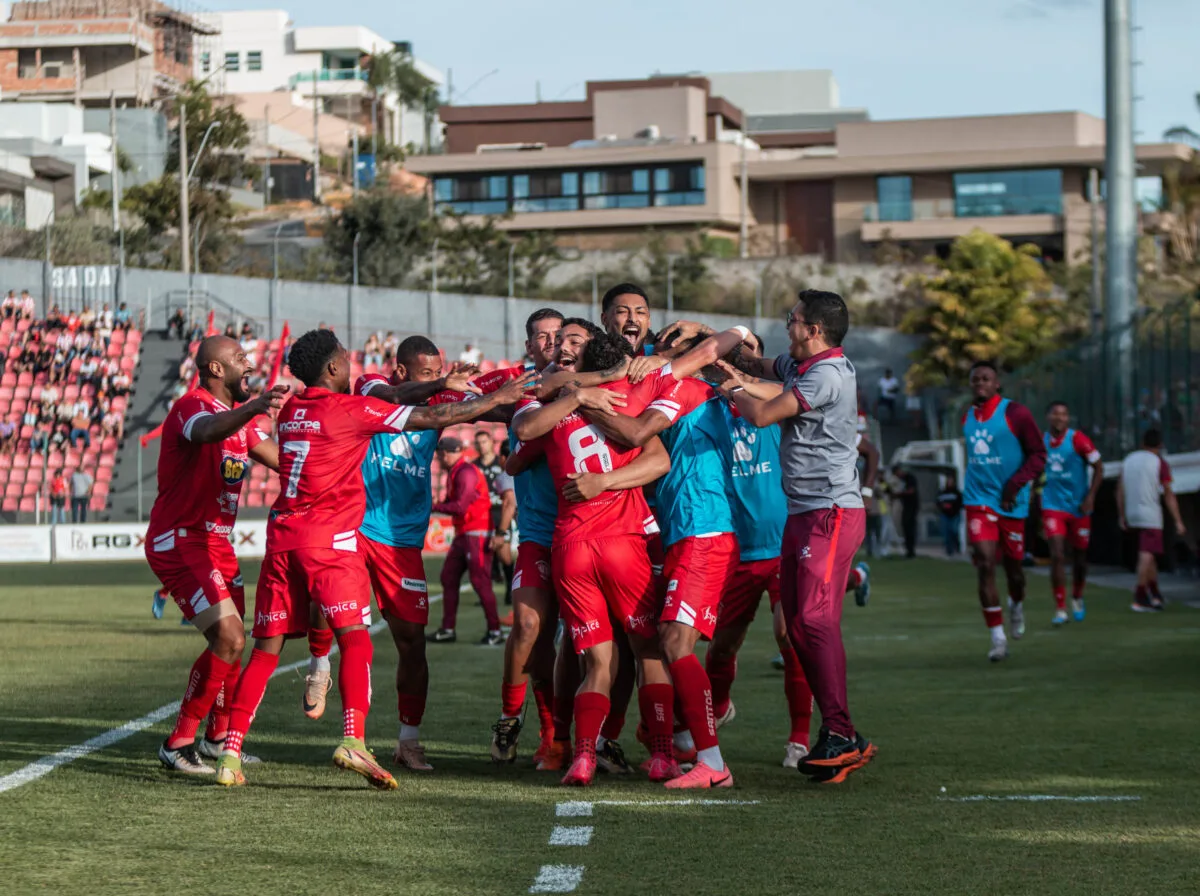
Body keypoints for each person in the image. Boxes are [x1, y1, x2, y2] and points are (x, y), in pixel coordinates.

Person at [214, 329, 531, 789]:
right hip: (342, 535)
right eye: (345, 358)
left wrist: (507, 391)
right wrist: (481, 396)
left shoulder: (297, 410)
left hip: (300, 536)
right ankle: (348, 729)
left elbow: (448, 402)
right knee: (355, 635)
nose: (352, 363)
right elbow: (427, 410)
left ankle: (231, 752)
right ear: (337, 367)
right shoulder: (359, 398)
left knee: (276, 647)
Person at [575, 322, 776, 789]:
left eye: (666, 347)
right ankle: (688, 744)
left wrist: (581, 401)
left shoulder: (685, 388)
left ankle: (712, 761)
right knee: (667, 641)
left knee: (674, 645)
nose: (653, 353)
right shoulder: (679, 384)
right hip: (682, 532)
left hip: (702, 531)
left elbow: (638, 431)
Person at [718, 289, 876, 783]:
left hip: (829, 512)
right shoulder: (805, 363)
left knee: (811, 620)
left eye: (793, 319)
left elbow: (763, 412)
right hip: (805, 513)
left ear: (814, 330)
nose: (787, 325)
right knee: (801, 622)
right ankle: (840, 739)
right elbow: (760, 367)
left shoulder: (827, 372)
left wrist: (723, 387)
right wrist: (716, 347)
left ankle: (842, 732)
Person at [507, 324, 675, 787]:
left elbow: (519, 445)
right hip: (622, 541)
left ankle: (581, 756)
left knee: (596, 660)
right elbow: (658, 459)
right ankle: (661, 754)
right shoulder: (623, 399)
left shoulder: (550, 407)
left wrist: (569, 402)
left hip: (571, 546)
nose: (561, 352)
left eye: (569, 346)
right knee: (648, 650)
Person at [334, 336, 499, 771]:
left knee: (412, 646)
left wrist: (517, 396)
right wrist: (442, 384)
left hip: (403, 542)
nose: (436, 381)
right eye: (427, 374)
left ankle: (408, 741)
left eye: (437, 373)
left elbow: (487, 407)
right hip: (356, 527)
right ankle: (320, 672)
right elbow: (390, 396)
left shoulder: (438, 397)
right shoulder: (371, 384)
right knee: (340, 622)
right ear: (403, 371)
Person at [143, 335, 286, 776]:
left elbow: (282, 461)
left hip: (217, 545)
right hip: (180, 539)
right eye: (241, 358)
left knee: (233, 644)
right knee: (229, 637)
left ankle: (218, 738)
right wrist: (255, 407)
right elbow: (206, 432)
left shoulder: (236, 420)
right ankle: (179, 742)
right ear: (217, 369)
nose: (250, 364)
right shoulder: (192, 407)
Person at [490, 309, 572, 770]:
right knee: (528, 627)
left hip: (591, 529)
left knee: (592, 644)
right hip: (540, 532)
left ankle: (596, 737)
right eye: (541, 337)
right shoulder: (519, 389)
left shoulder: (592, 385)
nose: (551, 342)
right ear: (529, 347)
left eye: (558, 335)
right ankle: (514, 719)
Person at [960, 360, 1046, 661]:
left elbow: (1038, 455)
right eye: (975, 380)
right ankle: (997, 639)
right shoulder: (967, 417)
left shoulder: (1016, 413)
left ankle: (1017, 604)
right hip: (978, 501)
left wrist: (1015, 484)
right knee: (984, 563)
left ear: (997, 384)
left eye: (986, 379)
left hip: (1012, 503)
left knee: (1015, 572)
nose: (980, 383)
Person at [427, 437, 503, 645]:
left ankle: (495, 631)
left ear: (446, 453)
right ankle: (448, 629)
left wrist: (434, 507)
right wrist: (440, 505)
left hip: (476, 531)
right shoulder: (458, 471)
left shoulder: (465, 472)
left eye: (439, 455)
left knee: (480, 581)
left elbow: (460, 507)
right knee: (448, 577)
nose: (438, 459)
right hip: (466, 531)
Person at [1041, 401, 1103, 624]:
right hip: (1052, 506)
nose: (1060, 418)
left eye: (1064, 414)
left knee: (1079, 557)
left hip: (1078, 507)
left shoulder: (1078, 439)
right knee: (1057, 554)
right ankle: (1060, 608)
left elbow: (1099, 467)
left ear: (1068, 419)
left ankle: (1077, 595)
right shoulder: (1042, 442)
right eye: (1056, 414)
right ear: (1048, 417)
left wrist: (1090, 497)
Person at [1117, 428, 1187, 612]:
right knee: (1146, 554)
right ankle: (1139, 595)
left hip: (1132, 512)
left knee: (1151, 556)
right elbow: (1168, 493)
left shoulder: (1129, 460)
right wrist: (1178, 520)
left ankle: (1155, 594)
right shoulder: (1159, 463)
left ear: (1142, 443)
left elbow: (1119, 490)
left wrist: (1122, 514)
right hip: (1150, 514)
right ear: (1161, 445)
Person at [893, 464, 920, 558]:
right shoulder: (902, 480)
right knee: (905, 527)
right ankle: (908, 550)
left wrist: (900, 494)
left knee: (910, 528)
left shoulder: (910, 478)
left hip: (912, 506)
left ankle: (911, 551)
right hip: (905, 506)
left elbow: (911, 491)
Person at [936, 472, 964, 557]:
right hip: (945, 515)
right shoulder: (942, 492)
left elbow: (961, 504)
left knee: (954, 531)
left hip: (955, 515)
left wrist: (953, 507)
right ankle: (949, 550)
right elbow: (938, 502)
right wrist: (943, 507)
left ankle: (956, 546)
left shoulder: (957, 493)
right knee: (946, 533)